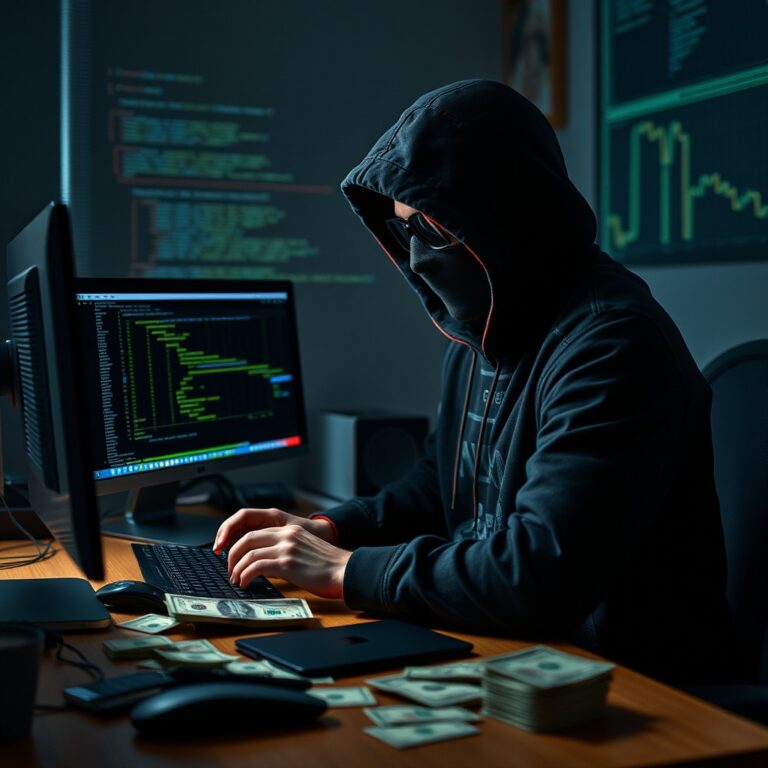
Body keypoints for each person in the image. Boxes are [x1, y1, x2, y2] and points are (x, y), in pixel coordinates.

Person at [214, 80, 733, 684]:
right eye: (405, 231)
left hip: (627, 686)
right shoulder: (483, 326)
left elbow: (539, 575)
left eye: (433, 229)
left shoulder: (612, 345)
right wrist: (331, 529)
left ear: (506, 218)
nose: (416, 258)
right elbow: (443, 487)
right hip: (519, 651)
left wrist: (345, 572)